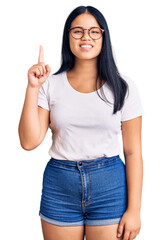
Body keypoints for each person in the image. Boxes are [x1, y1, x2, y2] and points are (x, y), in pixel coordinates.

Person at [18, 5, 145, 240]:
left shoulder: (123, 87)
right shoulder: (50, 85)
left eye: (94, 31)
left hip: (111, 186)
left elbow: (133, 152)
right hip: (60, 186)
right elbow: (28, 141)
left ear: (103, 37)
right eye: (77, 31)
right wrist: (32, 88)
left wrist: (135, 210)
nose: (86, 37)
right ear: (68, 37)